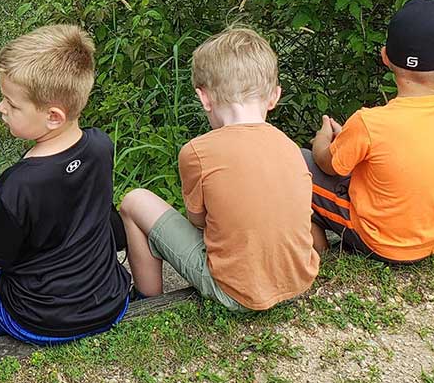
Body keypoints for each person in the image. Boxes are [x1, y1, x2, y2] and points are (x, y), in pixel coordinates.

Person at [0, 24, 131, 349]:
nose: (0, 108)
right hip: (108, 304)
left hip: (40, 320)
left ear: (53, 116)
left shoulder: (19, 182)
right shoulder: (100, 146)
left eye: (12, 103)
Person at [119, 27, 318, 311]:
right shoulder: (289, 147)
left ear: (204, 98)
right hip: (298, 280)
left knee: (134, 201)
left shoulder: (198, 152)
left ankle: (149, 301)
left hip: (236, 294)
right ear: (274, 96)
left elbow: (198, 220)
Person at [304, 0, 434, 262]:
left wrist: (322, 140)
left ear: (385, 56)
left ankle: (320, 253)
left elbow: (328, 165)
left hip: (381, 243)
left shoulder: (369, 122)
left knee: (297, 163)